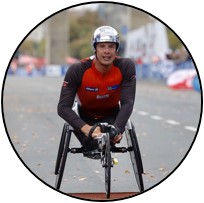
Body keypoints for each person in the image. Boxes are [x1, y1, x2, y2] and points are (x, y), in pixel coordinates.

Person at [57, 26, 136, 155]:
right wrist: (87, 129)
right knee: (92, 144)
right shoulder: (77, 69)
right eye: (102, 46)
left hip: (111, 115)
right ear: (95, 48)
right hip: (85, 116)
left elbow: (128, 102)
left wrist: (118, 129)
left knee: (109, 140)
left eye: (111, 46)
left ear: (117, 48)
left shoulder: (126, 66)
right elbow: (63, 107)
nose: (107, 51)